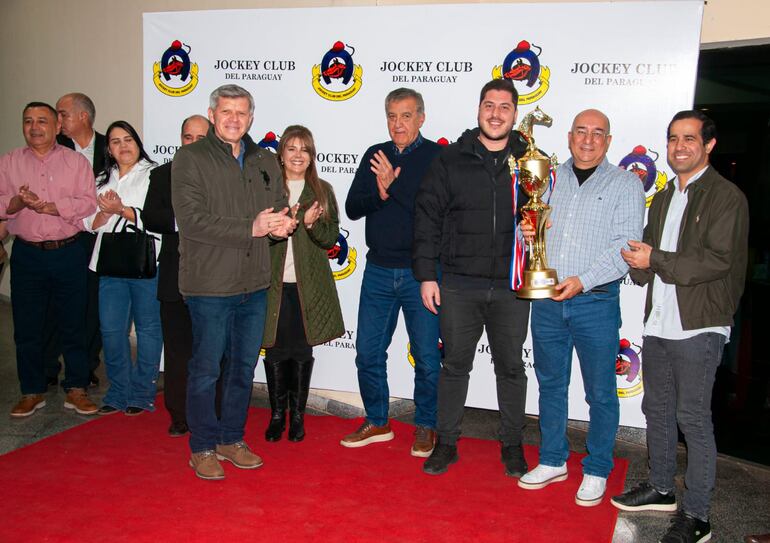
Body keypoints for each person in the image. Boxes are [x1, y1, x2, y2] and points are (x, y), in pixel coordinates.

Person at [614, 110, 749, 543]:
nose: (680, 147)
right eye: (673, 139)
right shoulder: (665, 195)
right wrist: (635, 262)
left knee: (692, 417)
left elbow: (715, 262)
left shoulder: (727, 197)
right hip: (660, 322)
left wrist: (653, 259)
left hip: (699, 325)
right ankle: (660, 487)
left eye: (690, 139)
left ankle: (698, 515)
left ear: (709, 145)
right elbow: (648, 260)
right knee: (656, 410)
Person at [516, 109, 645, 507]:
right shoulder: (549, 178)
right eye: (581, 132)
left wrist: (582, 281)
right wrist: (527, 232)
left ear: (608, 140)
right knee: (551, 385)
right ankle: (553, 459)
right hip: (549, 302)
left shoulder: (626, 184)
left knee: (601, 393)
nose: (588, 140)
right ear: (569, 136)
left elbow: (625, 248)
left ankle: (597, 468)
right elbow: (532, 236)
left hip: (596, 302)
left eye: (598, 133)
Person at [172, 84, 296, 480]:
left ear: (251, 118)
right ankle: (203, 446)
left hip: (254, 283)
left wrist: (283, 224)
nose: (234, 119)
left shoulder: (264, 159)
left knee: (243, 368)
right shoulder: (190, 158)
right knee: (206, 369)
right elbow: (191, 221)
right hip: (209, 285)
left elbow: (274, 213)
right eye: (226, 111)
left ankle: (231, 438)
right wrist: (253, 226)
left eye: (242, 113)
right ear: (212, 115)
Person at [412, 79, 533, 475]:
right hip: (460, 283)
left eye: (504, 107)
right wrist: (428, 276)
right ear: (478, 109)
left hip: (513, 287)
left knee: (511, 368)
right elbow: (427, 218)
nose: (496, 113)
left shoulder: (532, 160)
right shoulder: (451, 159)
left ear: (515, 113)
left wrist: (536, 229)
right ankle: (446, 442)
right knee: (454, 367)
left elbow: (548, 217)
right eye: (489, 105)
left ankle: (512, 444)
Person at [342, 88, 442, 457]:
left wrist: (394, 185)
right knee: (367, 351)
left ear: (421, 117)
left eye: (405, 115)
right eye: (392, 116)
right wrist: (380, 193)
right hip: (379, 270)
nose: (398, 123)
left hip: (422, 274)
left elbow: (431, 211)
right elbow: (353, 208)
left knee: (427, 358)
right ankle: (378, 420)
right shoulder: (375, 155)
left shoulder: (437, 158)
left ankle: (426, 426)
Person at [0, 102, 98, 417]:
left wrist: (51, 208)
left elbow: (87, 203)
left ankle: (77, 388)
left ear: (57, 126)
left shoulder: (75, 162)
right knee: (27, 326)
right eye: (28, 121)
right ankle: (32, 390)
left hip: (69, 252)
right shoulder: (9, 162)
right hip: (27, 254)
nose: (35, 127)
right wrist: (17, 201)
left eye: (42, 121)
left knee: (74, 323)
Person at [262, 125, 344, 443]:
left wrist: (310, 226)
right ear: (281, 154)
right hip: (272, 286)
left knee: (301, 352)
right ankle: (276, 415)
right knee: (274, 351)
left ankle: (297, 416)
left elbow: (329, 239)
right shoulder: (268, 190)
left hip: (307, 287)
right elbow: (255, 237)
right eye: (292, 148)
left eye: (304, 149)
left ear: (311, 156)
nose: (298, 155)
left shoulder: (321, 190)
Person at [83, 120, 162, 416]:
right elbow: (85, 221)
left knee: (149, 330)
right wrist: (100, 217)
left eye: (128, 139)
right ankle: (117, 393)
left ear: (137, 143)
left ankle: (142, 394)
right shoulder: (102, 176)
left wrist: (122, 211)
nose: (123, 146)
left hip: (144, 263)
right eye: (115, 141)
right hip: (109, 263)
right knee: (112, 331)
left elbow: (159, 220)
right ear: (109, 149)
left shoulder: (154, 174)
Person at [141, 114, 210, 437]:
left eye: (200, 138)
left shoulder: (225, 175)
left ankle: (213, 412)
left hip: (215, 278)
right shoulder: (162, 174)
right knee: (178, 351)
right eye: (188, 137)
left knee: (212, 351)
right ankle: (179, 415)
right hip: (174, 277)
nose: (193, 143)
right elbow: (152, 217)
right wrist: (188, 221)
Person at [44, 92, 106, 388]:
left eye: (63, 114)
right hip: (62, 236)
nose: (59, 120)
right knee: (55, 304)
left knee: (90, 305)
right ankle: (47, 365)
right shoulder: (52, 149)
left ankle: (86, 366)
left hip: (95, 237)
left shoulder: (110, 147)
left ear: (83, 116)